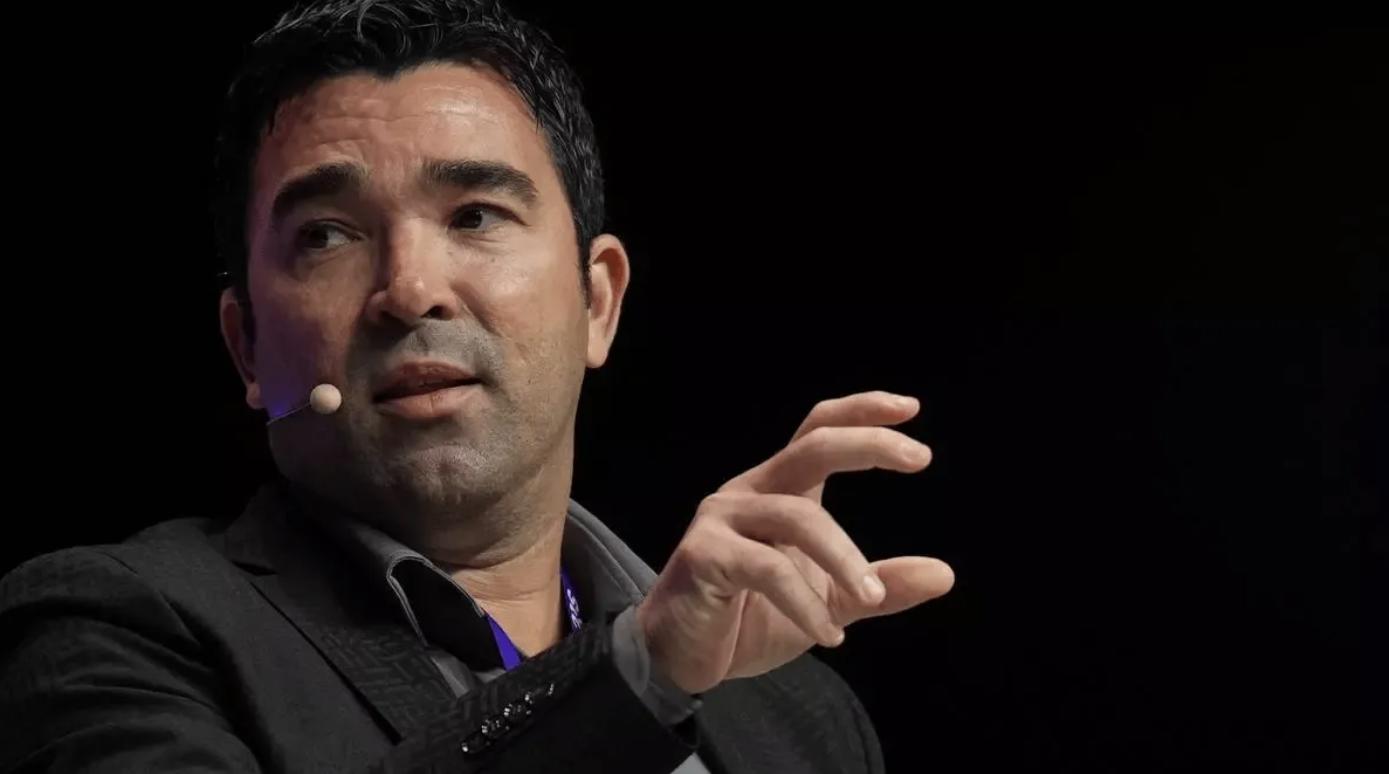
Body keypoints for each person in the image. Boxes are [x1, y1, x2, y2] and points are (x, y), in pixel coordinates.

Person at [0, 1, 955, 771]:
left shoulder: (796, 713)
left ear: (597, 302)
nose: (410, 289)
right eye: (327, 235)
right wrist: (633, 674)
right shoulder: (115, 631)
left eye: (475, 215)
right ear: (247, 347)